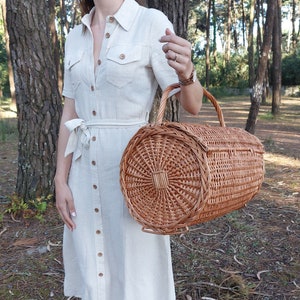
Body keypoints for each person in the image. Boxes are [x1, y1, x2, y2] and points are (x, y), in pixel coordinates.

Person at [54, 0, 203, 299]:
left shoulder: (149, 22)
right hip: (82, 175)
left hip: (136, 175)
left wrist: (187, 72)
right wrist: (61, 179)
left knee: (137, 274)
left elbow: (193, 104)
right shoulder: (74, 36)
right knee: (91, 270)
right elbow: (70, 113)